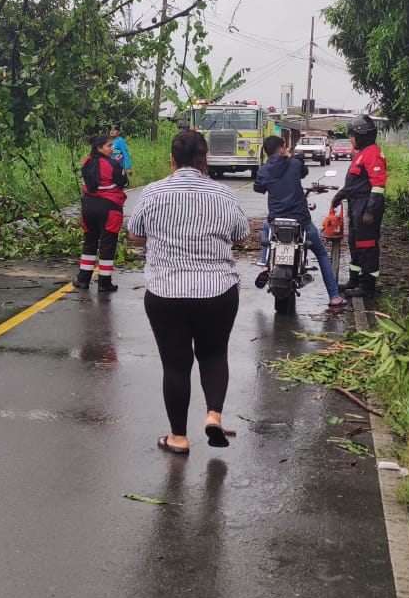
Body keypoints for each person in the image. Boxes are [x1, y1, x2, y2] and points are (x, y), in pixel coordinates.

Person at [126, 129, 250, 455]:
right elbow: (241, 234)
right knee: (214, 354)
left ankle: (178, 438)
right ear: (204, 159)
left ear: (171, 158)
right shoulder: (224, 195)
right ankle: (213, 415)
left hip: (166, 292)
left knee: (176, 365)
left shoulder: (153, 193)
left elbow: (135, 232)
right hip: (218, 291)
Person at [251, 136, 348, 310]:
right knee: (321, 254)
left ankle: (264, 265)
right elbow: (304, 172)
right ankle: (334, 297)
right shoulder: (294, 164)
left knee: (265, 228)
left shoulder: (264, 169)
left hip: (276, 221)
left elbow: (258, 188)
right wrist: (289, 157)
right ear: (282, 149)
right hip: (301, 221)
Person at [331, 114, 387, 300]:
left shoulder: (372, 154)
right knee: (355, 244)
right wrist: (340, 195)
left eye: (352, 136)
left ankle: (367, 286)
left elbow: (378, 186)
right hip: (356, 205)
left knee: (367, 246)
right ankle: (354, 280)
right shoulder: (361, 154)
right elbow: (355, 183)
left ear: (363, 136)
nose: (350, 139)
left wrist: (370, 211)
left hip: (366, 206)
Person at [73, 132, 127, 293]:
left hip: (88, 206)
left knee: (89, 242)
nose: (112, 148)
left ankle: (83, 279)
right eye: (109, 146)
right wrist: (119, 166)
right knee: (107, 245)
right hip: (109, 207)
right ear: (99, 148)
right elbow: (122, 181)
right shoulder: (112, 164)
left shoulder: (86, 161)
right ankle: (104, 282)